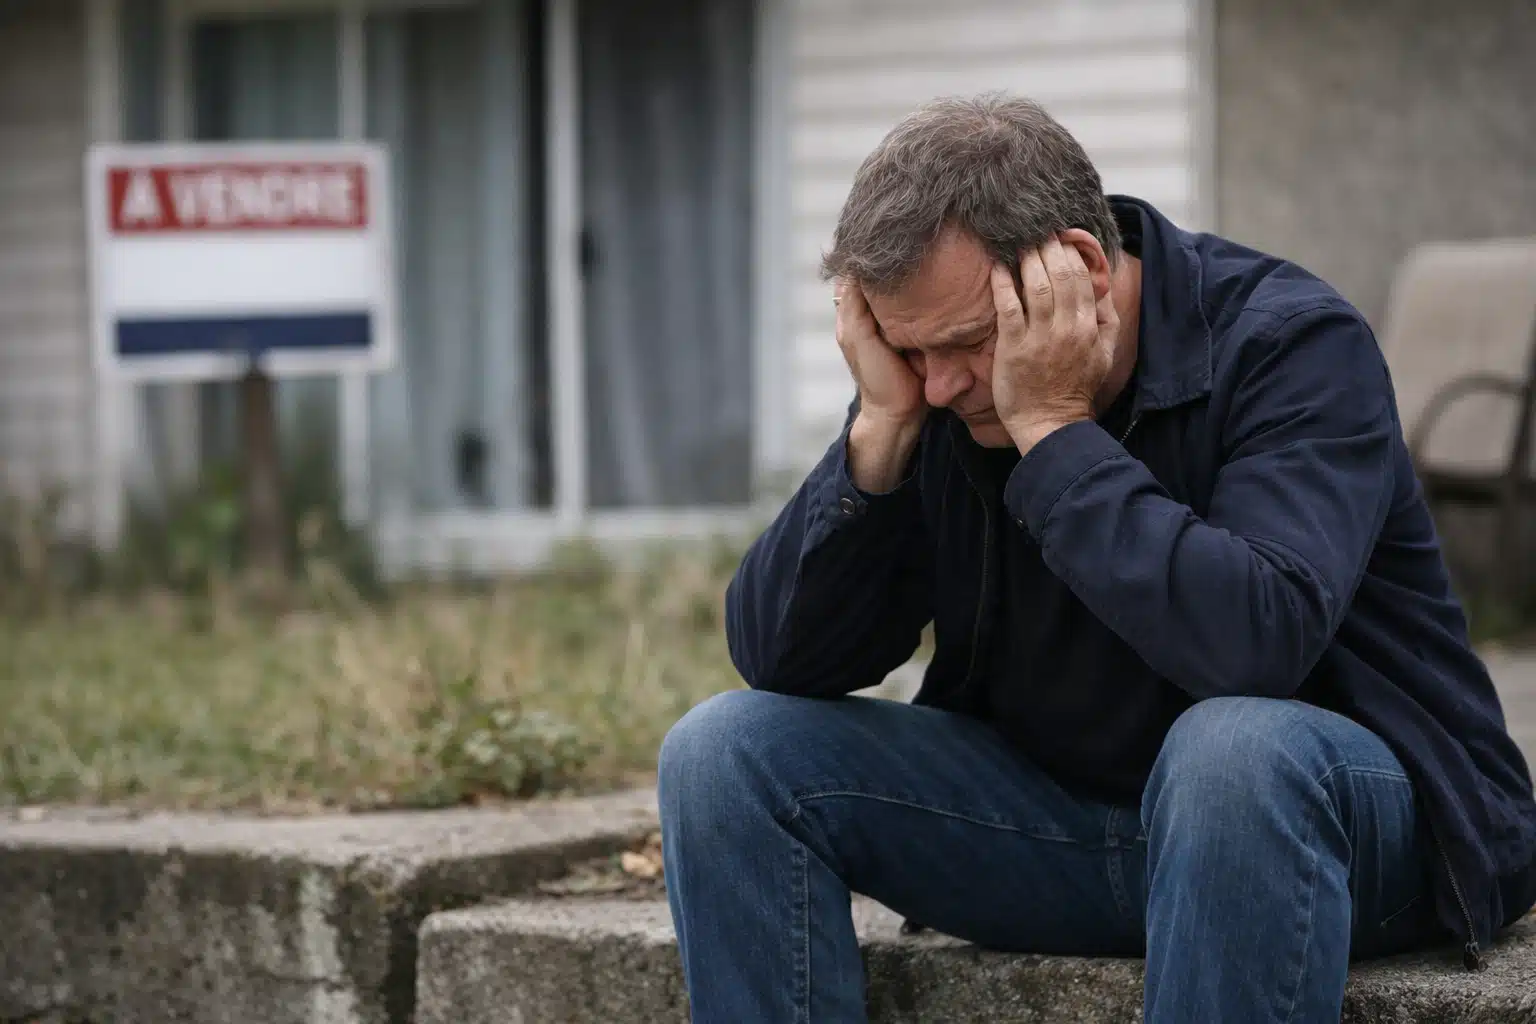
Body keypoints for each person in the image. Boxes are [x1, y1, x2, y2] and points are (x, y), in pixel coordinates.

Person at [657, 92, 1536, 1023]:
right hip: (1061, 832)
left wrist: (1052, 430)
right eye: (907, 353)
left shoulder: (1291, 343)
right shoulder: (937, 388)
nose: (943, 381)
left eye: (963, 345)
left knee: (1232, 750)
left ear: (1075, 266)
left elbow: (1254, 646)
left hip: (1334, 831)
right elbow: (784, 659)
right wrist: (878, 433)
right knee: (724, 753)